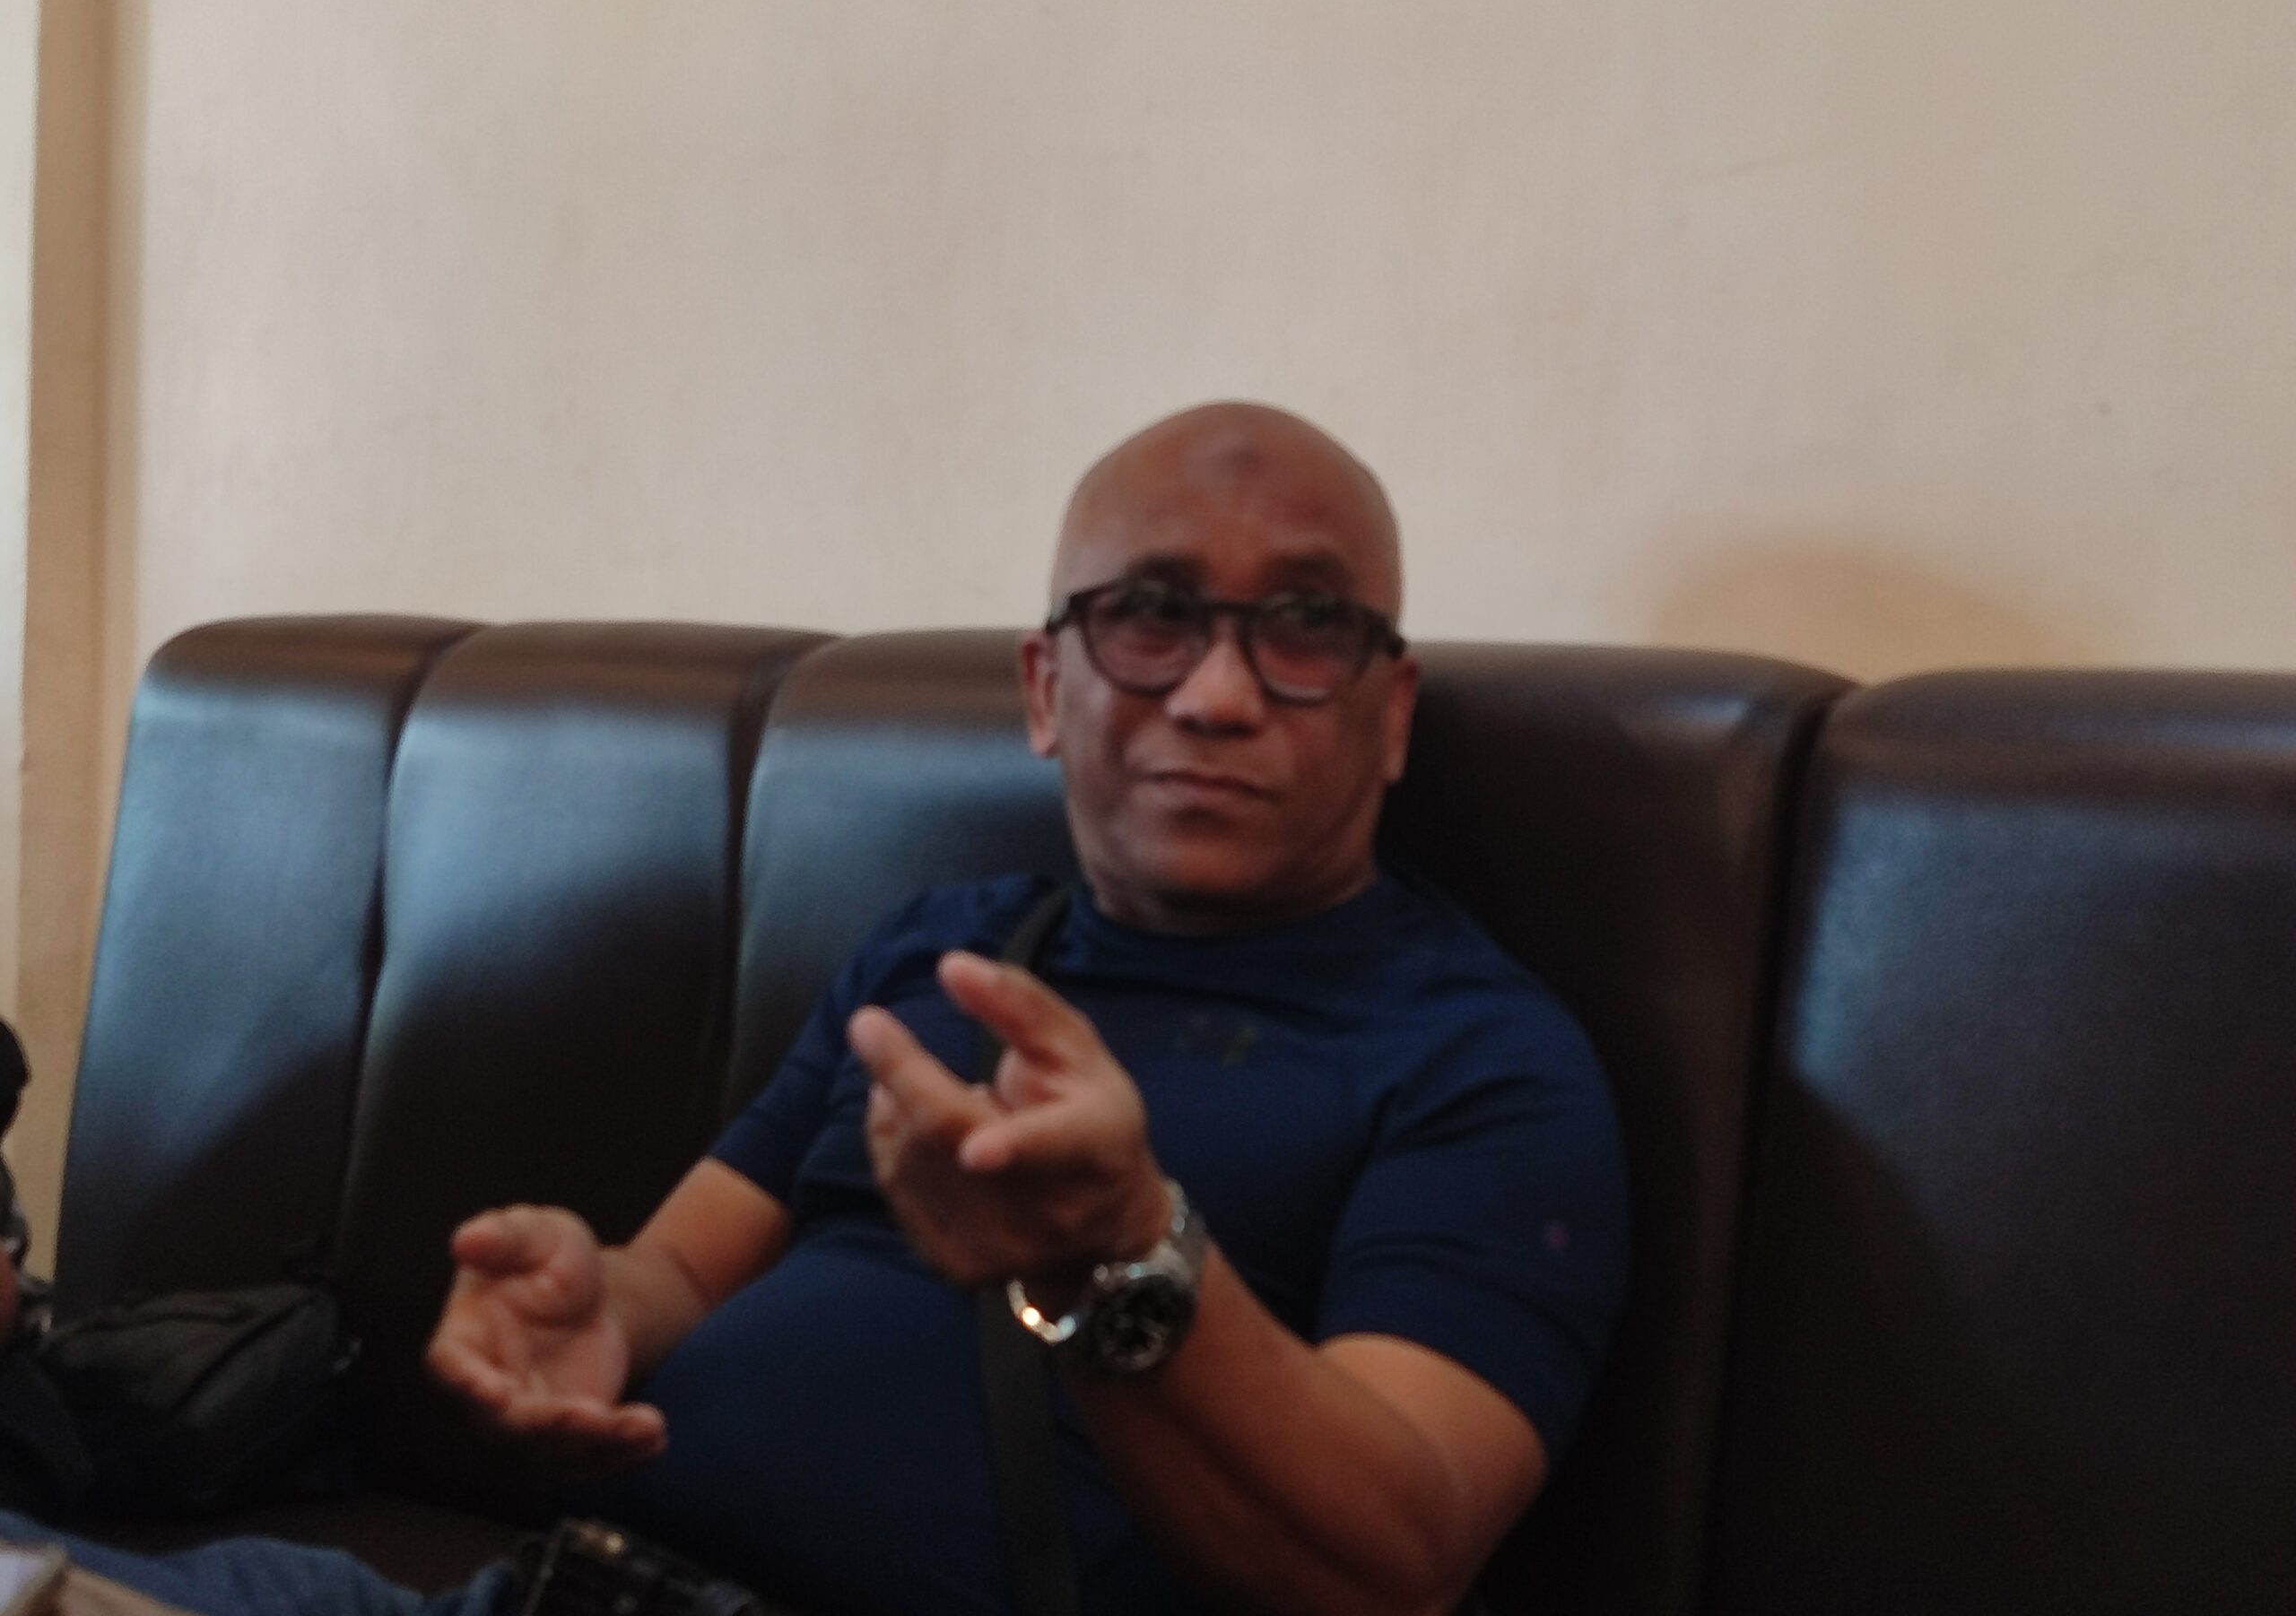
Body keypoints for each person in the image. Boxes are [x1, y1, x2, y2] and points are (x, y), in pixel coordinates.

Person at [4, 403, 1628, 1616]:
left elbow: (1396, 1560)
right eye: (1150, 616)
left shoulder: (1478, 1063)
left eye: (1306, 627)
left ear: (1390, 711)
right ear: (1046, 689)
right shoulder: (946, 948)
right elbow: (682, 1269)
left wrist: (1117, 1254)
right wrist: (596, 1308)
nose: (1216, 693)